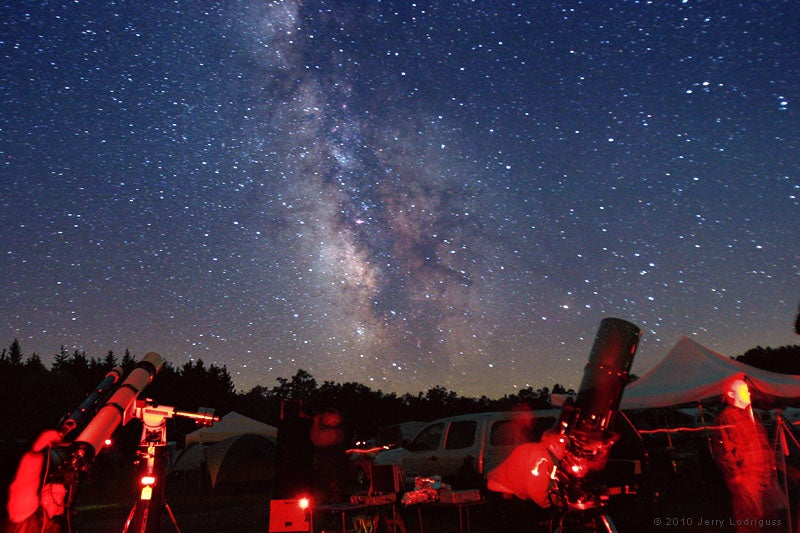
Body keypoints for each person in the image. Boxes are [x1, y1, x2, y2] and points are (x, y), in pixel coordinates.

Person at [713, 377, 785, 532]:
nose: (749, 394)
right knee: (750, 521)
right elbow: (724, 452)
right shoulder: (728, 417)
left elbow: (762, 445)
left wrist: (772, 465)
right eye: (744, 390)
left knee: (771, 520)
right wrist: (737, 478)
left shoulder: (752, 417)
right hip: (747, 478)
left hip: (764, 476)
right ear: (732, 394)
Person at [5, 430, 67, 533]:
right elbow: (23, 488)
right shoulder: (23, 515)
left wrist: (35, 452)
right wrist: (35, 452)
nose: (55, 498)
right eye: (53, 494)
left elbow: (23, 488)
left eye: (58, 496)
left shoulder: (24, 515)